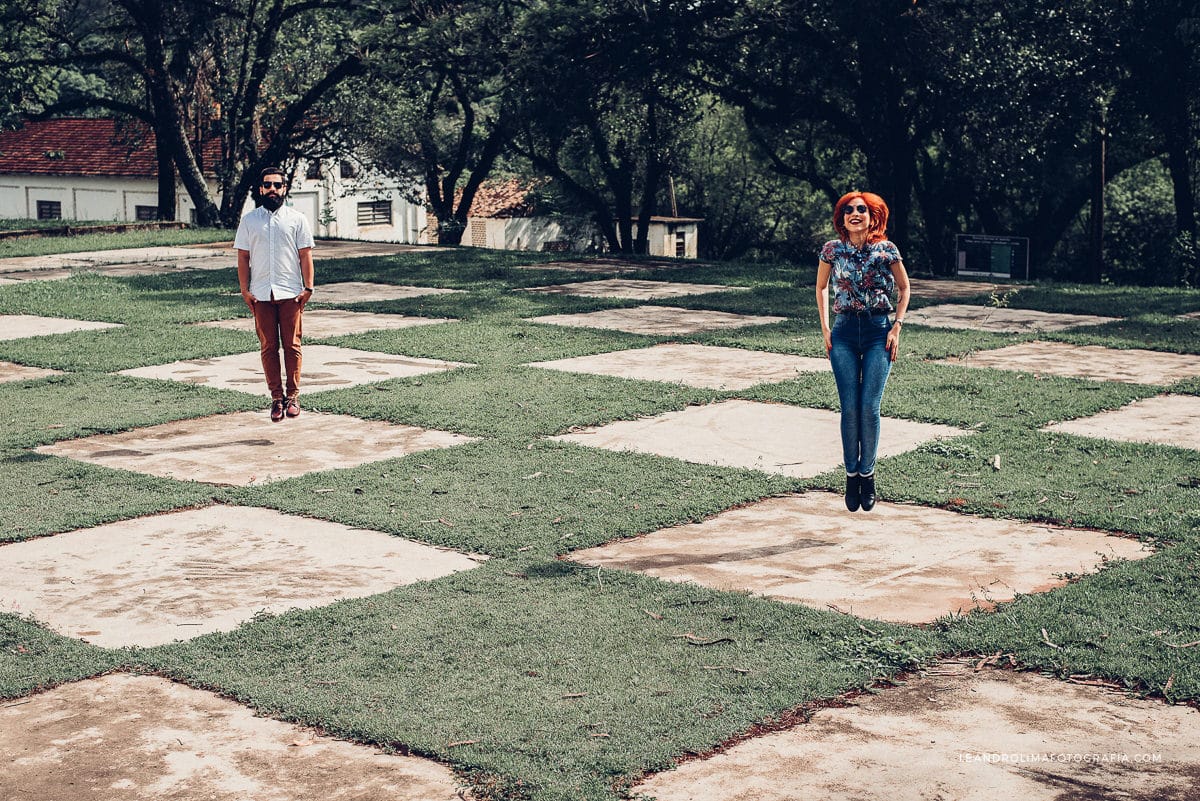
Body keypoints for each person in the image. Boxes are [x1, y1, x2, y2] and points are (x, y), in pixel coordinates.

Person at [815, 192, 911, 512]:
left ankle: (867, 473)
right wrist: (826, 329)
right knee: (849, 407)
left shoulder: (887, 250)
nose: (855, 213)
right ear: (842, 218)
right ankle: (851, 474)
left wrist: (896, 327)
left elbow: (905, 288)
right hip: (843, 333)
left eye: (862, 209)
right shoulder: (832, 249)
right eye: (848, 210)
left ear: (873, 216)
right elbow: (821, 287)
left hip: (877, 333)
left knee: (869, 407)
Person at [235, 167, 315, 422]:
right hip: (260, 294)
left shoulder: (297, 219)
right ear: (260, 190)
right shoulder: (249, 221)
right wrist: (244, 290)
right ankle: (276, 398)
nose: (272, 190)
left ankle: (292, 396)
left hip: (291, 292)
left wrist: (309, 287)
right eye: (267, 185)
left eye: (277, 185)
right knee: (269, 347)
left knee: (292, 345)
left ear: (284, 189)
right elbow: (243, 256)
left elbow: (305, 255)